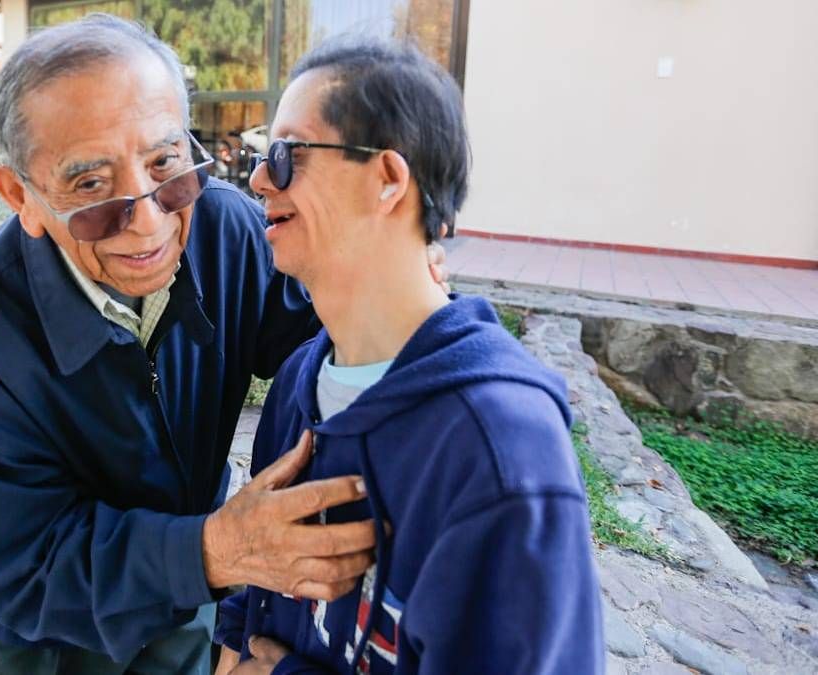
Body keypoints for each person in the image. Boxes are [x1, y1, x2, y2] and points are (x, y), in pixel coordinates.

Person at [0, 15, 450, 675]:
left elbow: (336, 339)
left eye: (166, 164)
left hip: (187, 593)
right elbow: (23, 572)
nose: (150, 222)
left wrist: (401, 291)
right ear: (20, 194)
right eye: (91, 188)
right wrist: (217, 550)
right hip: (43, 642)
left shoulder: (226, 232)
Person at [214, 36, 603, 674]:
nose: (259, 178)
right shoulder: (295, 387)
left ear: (388, 180)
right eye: (262, 156)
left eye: (286, 156)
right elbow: (251, 614)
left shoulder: (504, 455)